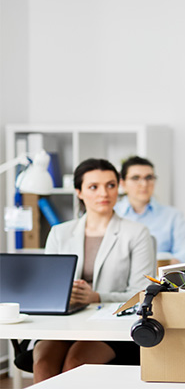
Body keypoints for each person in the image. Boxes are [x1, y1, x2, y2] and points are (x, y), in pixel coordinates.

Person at [32, 158, 156, 383]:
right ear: (79, 192)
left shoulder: (137, 233)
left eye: (110, 185)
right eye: (93, 187)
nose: (104, 193)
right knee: (43, 364)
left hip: (110, 326)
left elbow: (142, 293)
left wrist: (95, 297)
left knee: (76, 362)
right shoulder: (60, 233)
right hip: (65, 322)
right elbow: (48, 288)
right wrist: (63, 294)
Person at [115, 156, 185, 265]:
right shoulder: (112, 214)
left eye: (149, 177)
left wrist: (163, 264)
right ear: (123, 183)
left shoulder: (173, 216)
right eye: (136, 178)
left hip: (159, 278)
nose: (144, 184)